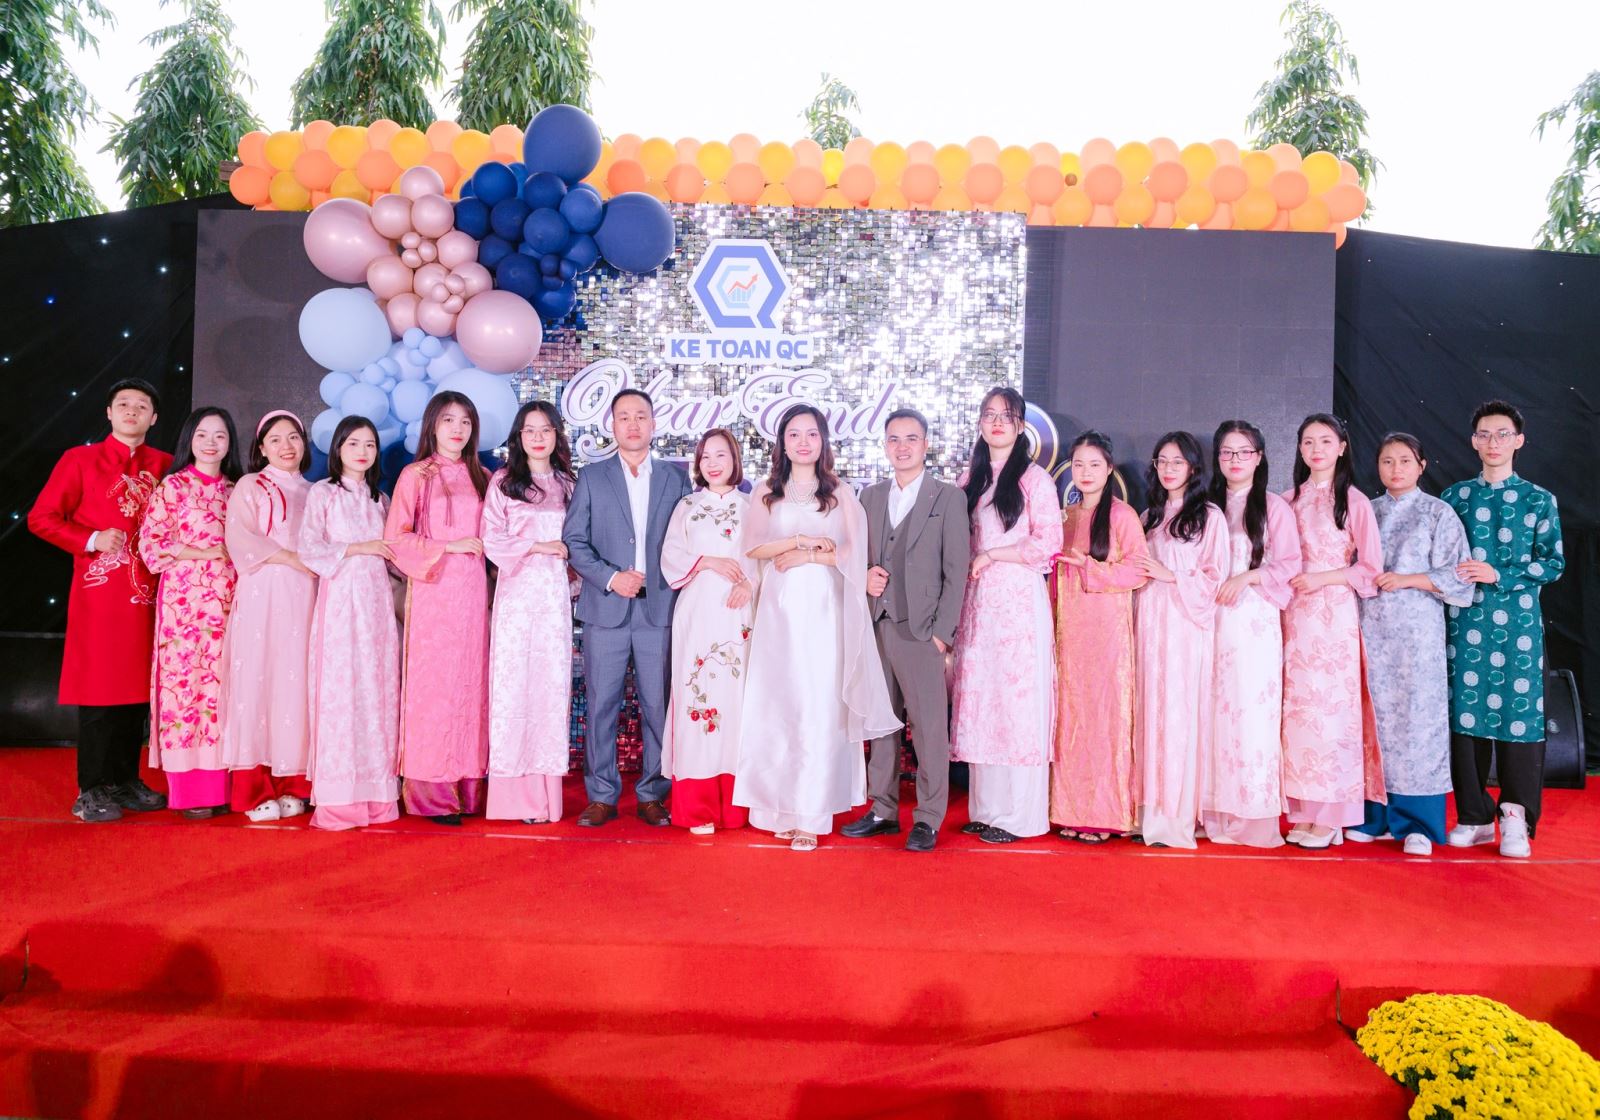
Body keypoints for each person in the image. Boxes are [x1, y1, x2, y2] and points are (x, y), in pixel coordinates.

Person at [733, 404, 899, 851]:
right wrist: (800, 540)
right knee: (778, 703)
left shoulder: (840, 492)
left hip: (825, 612)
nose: (803, 442)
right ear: (782, 443)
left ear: (823, 441)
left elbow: (854, 553)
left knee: (817, 705)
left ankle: (811, 812)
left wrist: (810, 557)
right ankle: (779, 809)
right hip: (778, 613)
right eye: (794, 434)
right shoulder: (766, 491)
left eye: (811, 434)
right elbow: (753, 547)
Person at [29, 378, 172, 822]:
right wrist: (91, 538)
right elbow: (41, 518)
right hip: (100, 596)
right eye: (123, 404)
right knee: (99, 690)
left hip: (152, 596)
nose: (132, 411)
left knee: (138, 691)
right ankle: (91, 788)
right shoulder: (80, 460)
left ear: (154, 418)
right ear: (109, 413)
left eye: (141, 406)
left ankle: (125, 779)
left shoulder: (166, 465)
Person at [841, 408, 971, 852]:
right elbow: (855, 555)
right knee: (880, 722)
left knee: (929, 728)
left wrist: (942, 634)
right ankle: (882, 809)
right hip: (877, 624)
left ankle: (929, 817)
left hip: (921, 630)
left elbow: (957, 569)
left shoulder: (947, 498)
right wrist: (865, 576)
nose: (902, 447)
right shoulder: (870, 496)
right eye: (894, 439)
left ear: (926, 445)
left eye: (911, 439)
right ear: (885, 446)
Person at [563, 389, 692, 827]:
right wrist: (610, 577)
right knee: (602, 706)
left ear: (654, 424)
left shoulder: (676, 478)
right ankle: (601, 795)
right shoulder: (592, 477)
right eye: (624, 417)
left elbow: (688, 541)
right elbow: (574, 541)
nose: (633, 424)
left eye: (640, 416)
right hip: (606, 610)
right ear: (612, 425)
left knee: (659, 706)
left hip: (660, 610)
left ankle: (653, 793)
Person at [1443, 401, 1565, 859]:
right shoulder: (1455, 498)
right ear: (1473, 441)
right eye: (1484, 434)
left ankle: (1516, 816)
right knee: (1464, 719)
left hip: (1519, 629)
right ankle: (1473, 816)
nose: (1493, 442)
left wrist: (1501, 574)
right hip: (1464, 624)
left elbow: (1554, 563)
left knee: (1521, 719)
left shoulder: (1538, 499)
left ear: (1519, 441)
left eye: (1503, 434)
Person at [949, 387, 1063, 844]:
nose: (997, 422)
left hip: (1017, 601)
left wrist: (993, 555)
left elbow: (1049, 543)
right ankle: (988, 808)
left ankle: (1021, 816)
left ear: (1020, 426)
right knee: (984, 699)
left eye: (1007, 415)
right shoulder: (969, 479)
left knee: (1017, 703)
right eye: (989, 414)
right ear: (980, 423)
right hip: (977, 604)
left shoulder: (1035, 479)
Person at [1354, 433, 1473, 857]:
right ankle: (1372, 817)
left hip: (1417, 636)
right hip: (1369, 631)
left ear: (1421, 466)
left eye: (1405, 460)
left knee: (1417, 724)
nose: (1396, 469)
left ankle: (1418, 824)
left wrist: (1407, 579)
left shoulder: (1438, 513)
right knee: (1372, 720)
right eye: (1388, 461)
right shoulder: (1365, 511)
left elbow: (1460, 575)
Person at [385, 391, 491, 824]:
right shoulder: (416, 475)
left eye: (465, 421)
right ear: (432, 424)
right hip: (434, 592)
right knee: (434, 689)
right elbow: (395, 538)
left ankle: (467, 786)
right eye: (448, 420)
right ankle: (433, 792)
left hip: (474, 595)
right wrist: (448, 546)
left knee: (471, 685)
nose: (457, 429)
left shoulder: (484, 476)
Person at [1281, 413, 1385, 849]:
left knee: (1332, 714)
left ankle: (1332, 816)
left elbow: (1371, 568)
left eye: (1325, 441)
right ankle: (1304, 811)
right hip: (1293, 615)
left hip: (1333, 617)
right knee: (1297, 713)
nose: (1316, 449)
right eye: (1308, 442)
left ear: (1342, 447)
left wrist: (1323, 578)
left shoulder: (1354, 502)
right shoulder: (1287, 500)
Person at [138, 407, 243, 819]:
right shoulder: (174, 486)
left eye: (220, 435)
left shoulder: (238, 490)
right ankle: (190, 792)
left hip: (231, 603)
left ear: (230, 442)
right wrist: (202, 552)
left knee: (222, 690)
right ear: (189, 440)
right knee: (186, 689)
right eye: (202, 434)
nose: (211, 443)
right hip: (184, 606)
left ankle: (223, 786)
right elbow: (150, 544)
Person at [299, 416, 401, 831]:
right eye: (353, 443)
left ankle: (377, 795)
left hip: (378, 606)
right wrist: (361, 547)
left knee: (377, 692)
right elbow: (309, 547)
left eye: (370, 444)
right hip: (341, 603)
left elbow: (394, 554)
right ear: (338, 448)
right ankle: (341, 798)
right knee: (342, 692)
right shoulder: (323, 493)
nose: (362, 451)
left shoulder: (381, 499)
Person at [1203, 421, 1301, 848]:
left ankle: (1250, 817)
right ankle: (1212, 812)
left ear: (1259, 457)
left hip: (1253, 621)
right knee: (1212, 713)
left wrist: (1246, 577)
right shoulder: (1207, 505)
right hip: (1209, 620)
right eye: (1227, 452)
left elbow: (1290, 563)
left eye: (1244, 452)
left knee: (1250, 714)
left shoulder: (1273, 506)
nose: (1235, 460)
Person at [1048, 431, 1147, 844]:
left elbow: (1139, 570)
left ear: (1109, 469)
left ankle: (1104, 815)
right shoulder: (1064, 516)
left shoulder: (1122, 516)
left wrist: (1090, 567)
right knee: (1070, 719)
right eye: (1079, 464)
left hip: (1107, 633)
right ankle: (1070, 810)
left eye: (1094, 464)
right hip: (1068, 632)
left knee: (1105, 718)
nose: (1085, 472)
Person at [219, 411, 317, 822]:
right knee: (257, 681)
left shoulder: (316, 491)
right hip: (262, 594)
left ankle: (295, 784)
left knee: (298, 685)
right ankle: (255, 787)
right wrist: (293, 558)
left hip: (306, 596)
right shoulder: (250, 485)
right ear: (261, 448)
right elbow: (240, 538)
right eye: (275, 439)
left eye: (293, 437)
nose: (286, 446)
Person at [1132, 432, 1228, 850]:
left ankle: (1174, 820)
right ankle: (1145, 813)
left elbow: (1214, 577)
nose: (1168, 469)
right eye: (1162, 461)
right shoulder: (1148, 517)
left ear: (1193, 467)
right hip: (1148, 624)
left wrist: (1170, 575)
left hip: (1184, 629)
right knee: (1148, 712)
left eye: (1178, 461)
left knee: (1177, 716)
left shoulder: (1208, 517)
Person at [482, 401, 577, 825]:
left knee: (548, 690)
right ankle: (515, 798)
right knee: (514, 688)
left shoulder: (568, 484)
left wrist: (572, 567)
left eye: (546, 430)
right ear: (518, 437)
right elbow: (491, 538)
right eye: (529, 430)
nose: (538, 437)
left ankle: (545, 799)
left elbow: (580, 543)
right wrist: (538, 546)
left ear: (557, 435)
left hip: (554, 599)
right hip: (517, 597)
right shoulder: (504, 482)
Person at [660, 429, 757, 835]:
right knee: (696, 699)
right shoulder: (687, 506)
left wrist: (749, 582)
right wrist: (707, 561)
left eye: (721, 455)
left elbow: (763, 558)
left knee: (737, 702)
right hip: (697, 613)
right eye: (705, 457)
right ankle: (697, 807)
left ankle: (736, 806)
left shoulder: (753, 507)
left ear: (735, 460)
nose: (713, 464)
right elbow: (670, 556)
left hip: (739, 615)